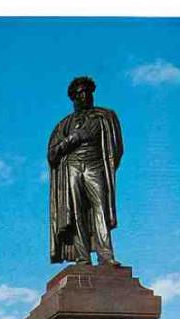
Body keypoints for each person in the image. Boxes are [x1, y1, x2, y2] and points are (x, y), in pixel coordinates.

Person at [48, 76, 123, 266]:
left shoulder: (105, 116)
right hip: (72, 167)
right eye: (80, 94)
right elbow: (52, 154)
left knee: (101, 209)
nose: (85, 97)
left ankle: (106, 255)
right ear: (73, 98)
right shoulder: (63, 125)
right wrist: (73, 139)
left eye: (88, 93)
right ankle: (82, 257)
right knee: (76, 212)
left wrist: (107, 166)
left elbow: (117, 149)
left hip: (95, 165)